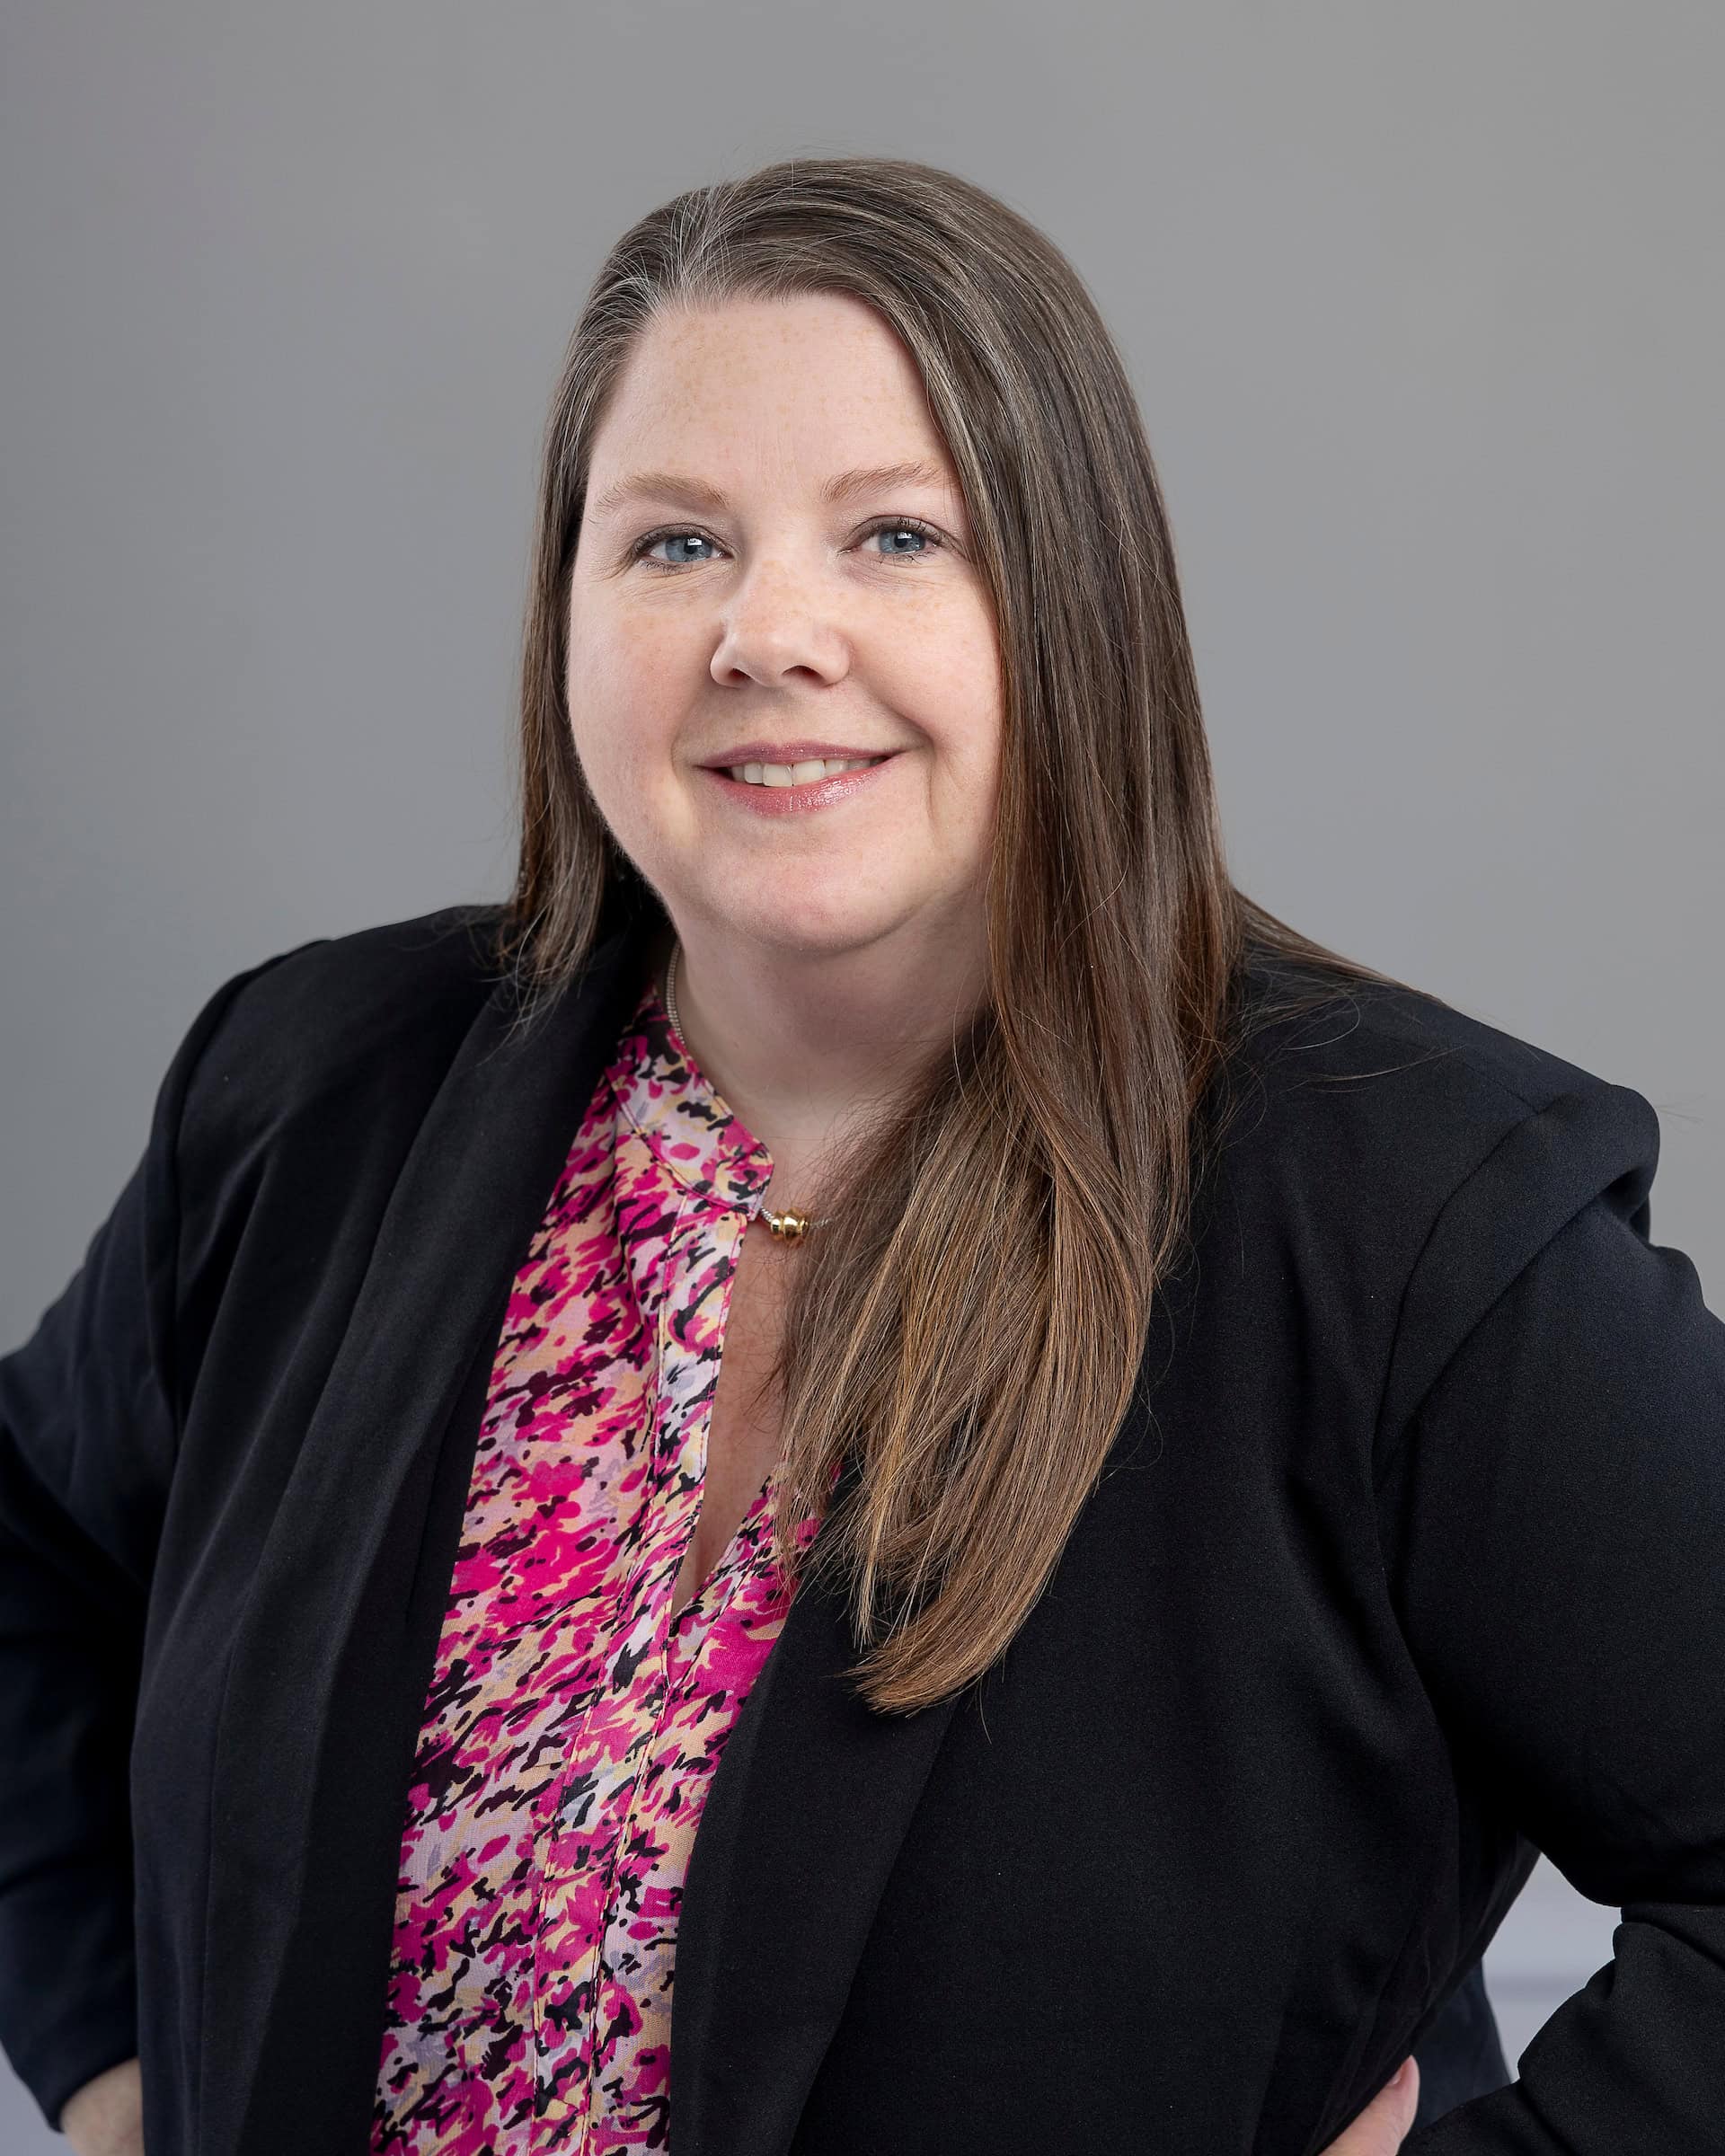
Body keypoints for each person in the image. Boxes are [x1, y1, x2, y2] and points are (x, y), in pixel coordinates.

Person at [2, 154, 1720, 2156]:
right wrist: (116, 2075)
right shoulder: (312, 1093)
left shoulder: (1409, 1218)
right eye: (673, 546)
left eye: (897, 536)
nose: (767, 632)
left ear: (1076, 610)